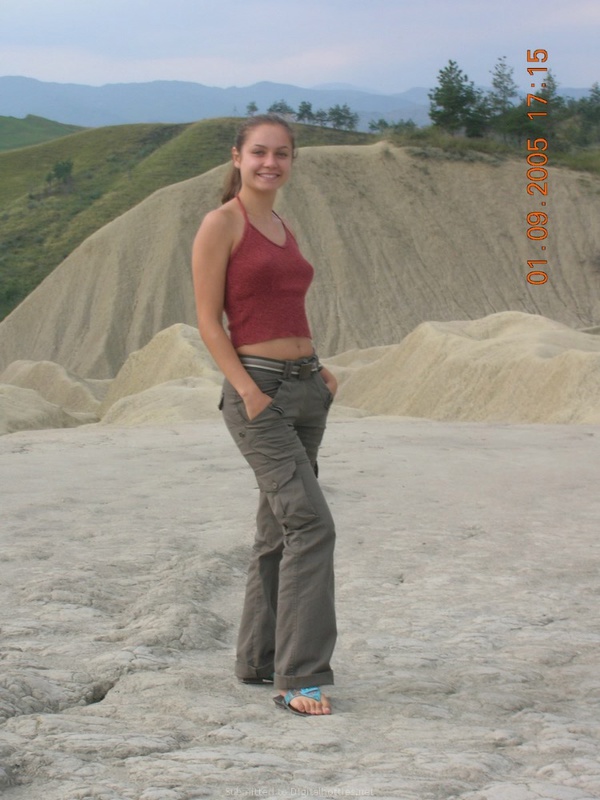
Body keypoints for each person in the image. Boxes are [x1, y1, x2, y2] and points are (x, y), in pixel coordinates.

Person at [191, 114, 338, 717]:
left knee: (278, 528)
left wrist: (319, 369)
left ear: (291, 161)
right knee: (311, 525)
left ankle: (257, 659)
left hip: (306, 387)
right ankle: (299, 677)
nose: (269, 163)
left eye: (281, 154)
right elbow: (208, 320)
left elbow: (284, 304)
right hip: (261, 390)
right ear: (237, 157)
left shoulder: (282, 225)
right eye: (258, 152)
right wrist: (247, 390)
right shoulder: (221, 223)